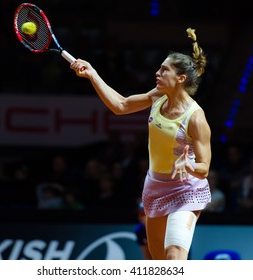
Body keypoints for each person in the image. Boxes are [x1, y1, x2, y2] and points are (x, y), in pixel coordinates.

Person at [71, 27, 212, 260]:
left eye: (164, 70)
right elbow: (121, 105)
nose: (157, 73)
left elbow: (204, 167)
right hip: (156, 187)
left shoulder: (195, 118)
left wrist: (188, 166)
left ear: (181, 78)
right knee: (157, 263)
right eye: (159, 67)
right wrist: (92, 74)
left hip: (186, 189)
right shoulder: (158, 96)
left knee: (174, 256)